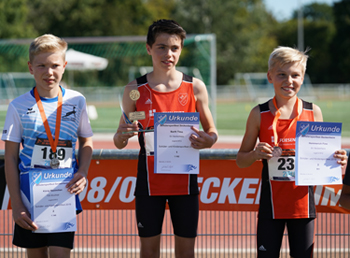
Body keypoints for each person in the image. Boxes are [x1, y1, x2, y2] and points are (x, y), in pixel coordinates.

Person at [113, 19, 218, 258]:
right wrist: (122, 135)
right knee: (149, 251)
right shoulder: (134, 90)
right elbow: (119, 140)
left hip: (185, 181)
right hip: (149, 184)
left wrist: (208, 140)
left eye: (174, 48)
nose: (168, 54)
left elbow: (212, 132)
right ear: (149, 48)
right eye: (161, 47)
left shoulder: (195, 87)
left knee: (186, 251)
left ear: (181, 49)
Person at [236, 46, 348, 258]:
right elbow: (241, 160)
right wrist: (254, 155)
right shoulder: (258, 114)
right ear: (270, 77)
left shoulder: (313, 111)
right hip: (271, 207)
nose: (289, 81)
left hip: (303, 206)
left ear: (303, 77)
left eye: (295, 75)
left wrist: (337, 158)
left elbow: (322, 156)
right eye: (282, 75)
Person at [1, 34, 93, 258]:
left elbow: (87, 141)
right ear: (30, 67)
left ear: (64, 66)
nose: (49, 72)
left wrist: (82, 172)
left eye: (54, 65)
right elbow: (11, 158)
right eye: (41, 65)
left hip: (63, 194)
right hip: (29, 197)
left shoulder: (76, 100)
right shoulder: (18, 106)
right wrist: (17, 204)